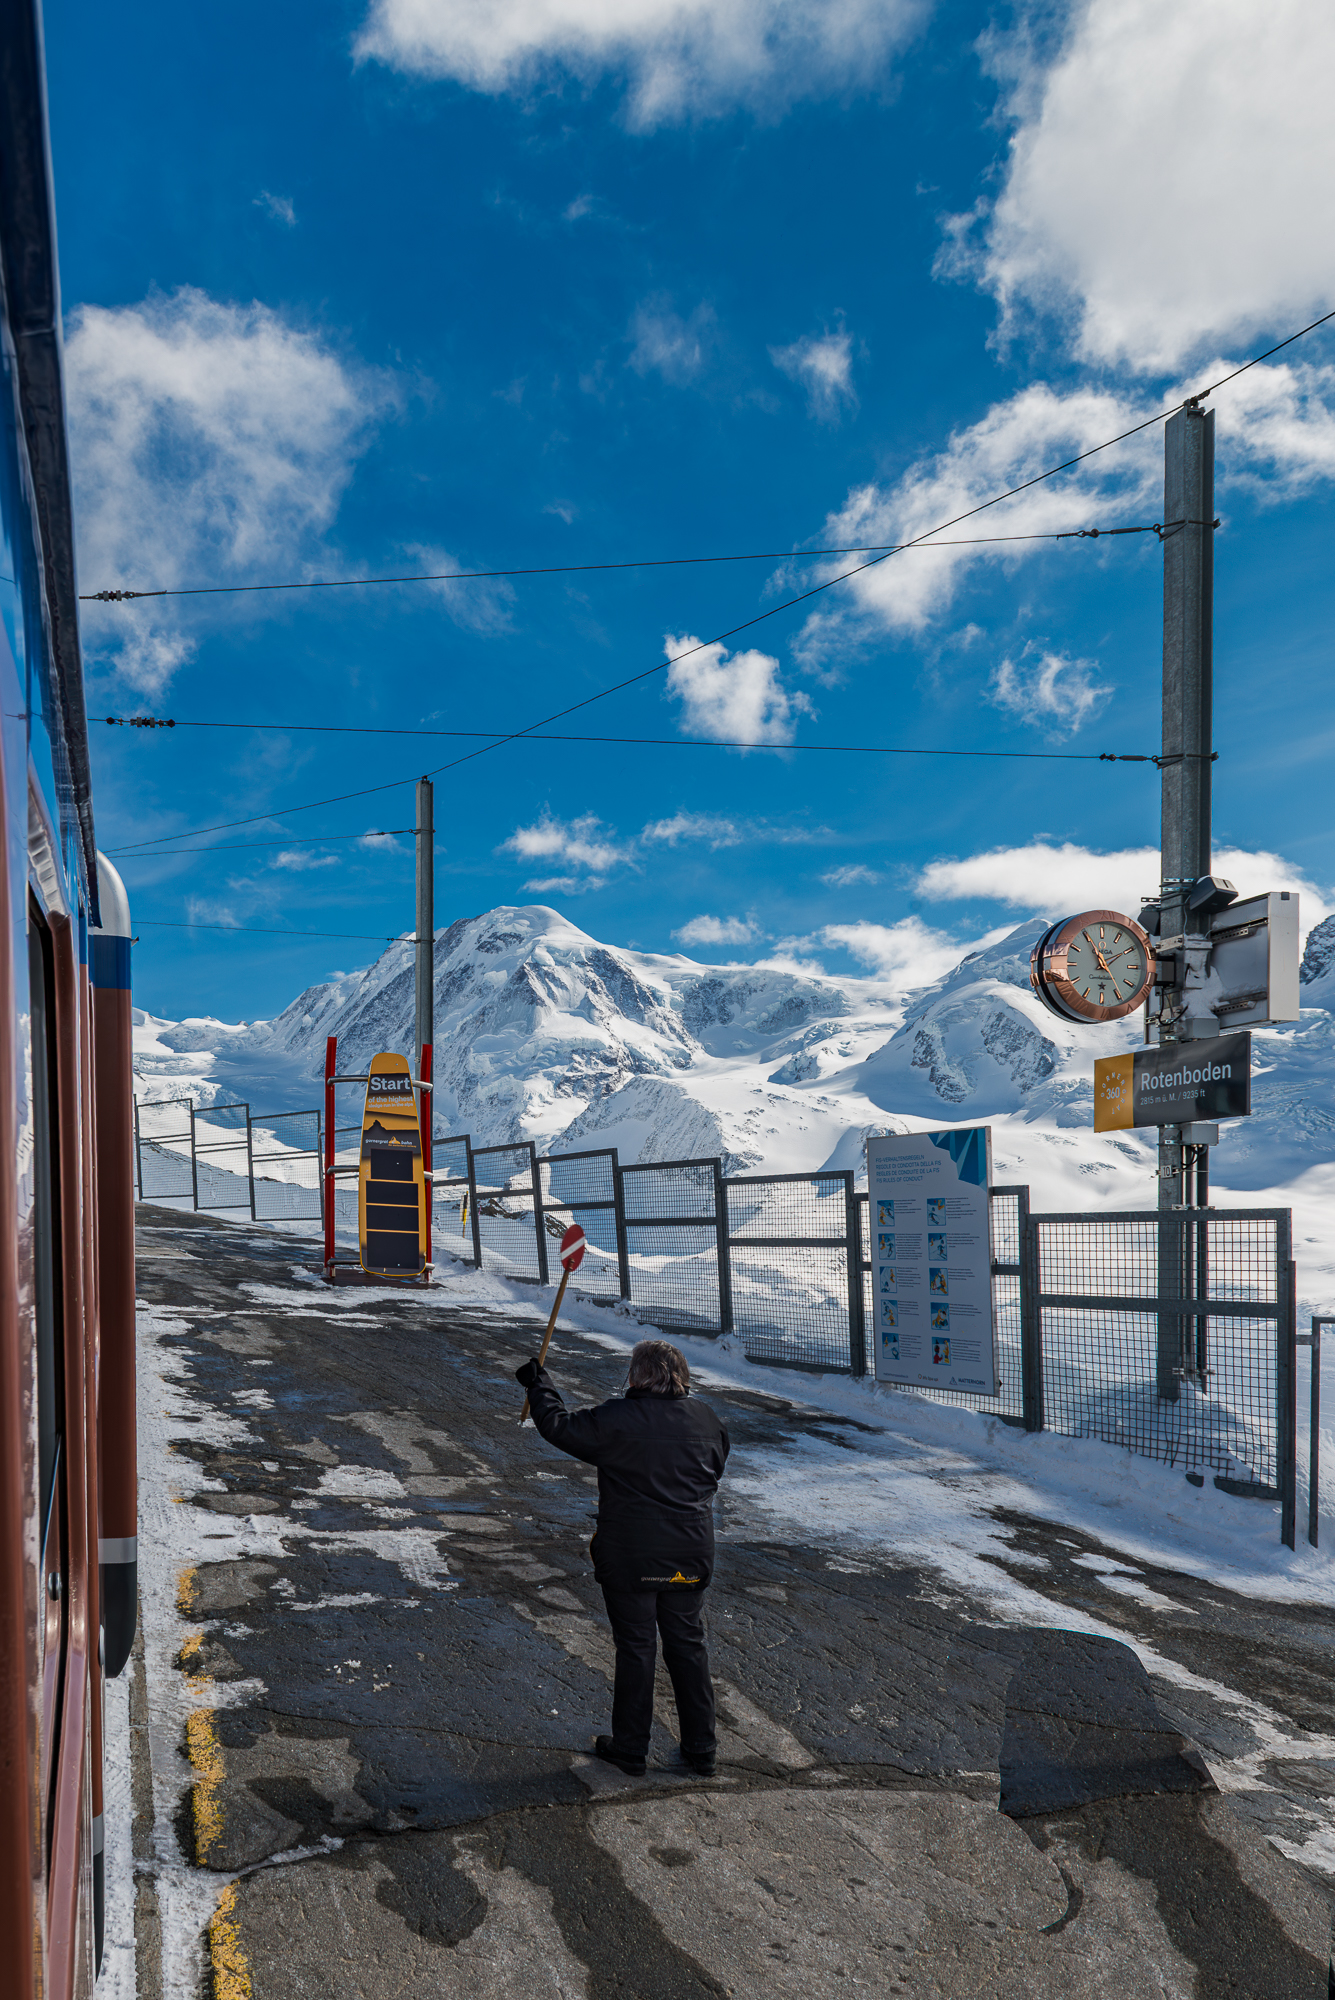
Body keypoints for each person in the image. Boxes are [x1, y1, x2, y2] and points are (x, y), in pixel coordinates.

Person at [514, 1337, 730, 1777]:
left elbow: (559, 1427)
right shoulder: (708, 1420)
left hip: (631, 1554)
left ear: (636, 1375)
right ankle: (701, 1748)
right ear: (682, 1376)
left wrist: (539, 1385)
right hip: (690, 1551)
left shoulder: (617, 1418)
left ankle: (630, 1748)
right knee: (688, 1645)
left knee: (636, 1646)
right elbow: (716, 1468)